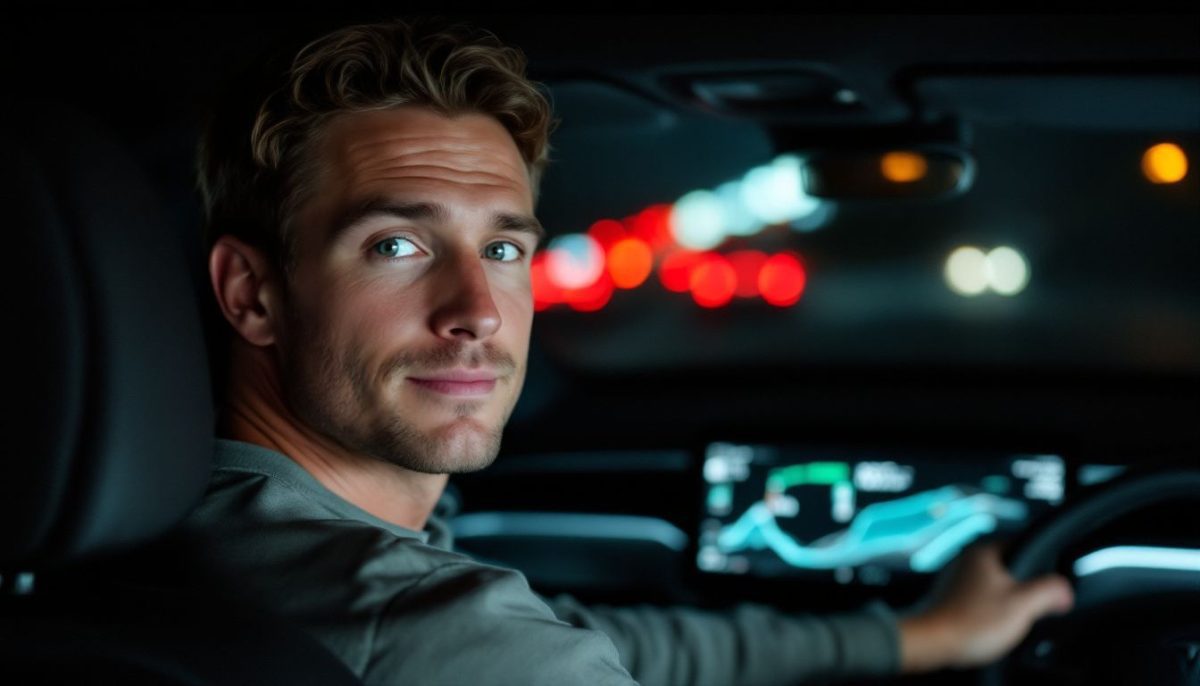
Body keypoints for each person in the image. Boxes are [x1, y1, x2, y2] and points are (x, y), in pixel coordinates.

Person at [182, 18, 1075, 686]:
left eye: (502, 251)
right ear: (251, 294)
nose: (479, 313)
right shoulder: (420, 626)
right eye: (397, 247)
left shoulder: (219, 535)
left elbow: (618, 645)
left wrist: (923, 637)